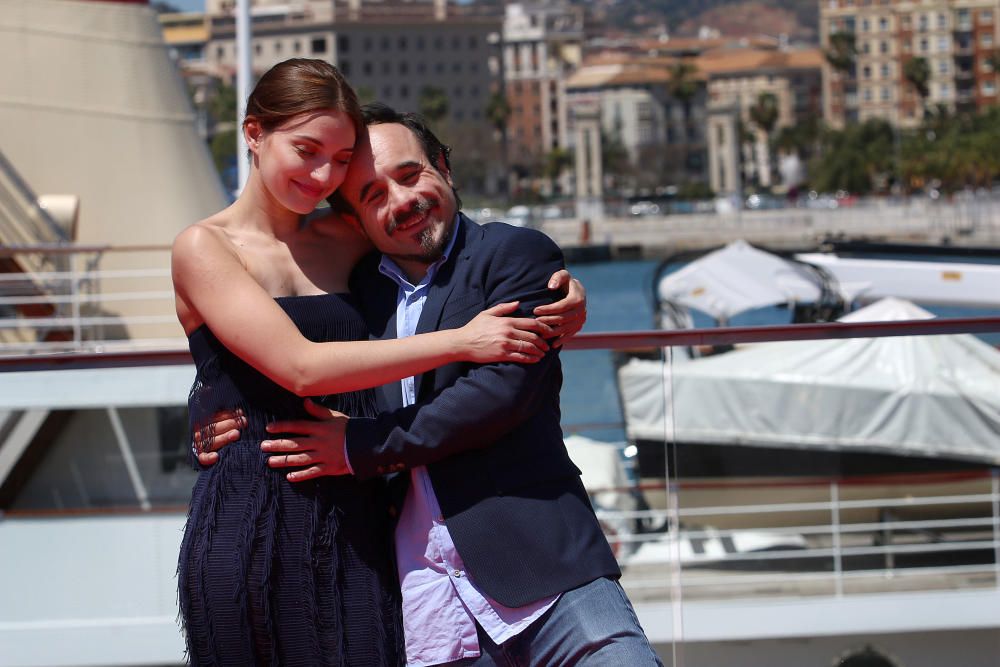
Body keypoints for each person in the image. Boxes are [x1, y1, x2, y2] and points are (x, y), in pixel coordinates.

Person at [204, 103, 661, 666]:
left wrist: (356, 447)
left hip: (547, 576)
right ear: (354, 221)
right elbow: (282, 361)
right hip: (429, 609)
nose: (401, 201)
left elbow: (501, 394)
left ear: (443, 166)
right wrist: (211, 412)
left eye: (409, 173)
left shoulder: (512, 255)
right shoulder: (357, 299)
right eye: (372, 195)